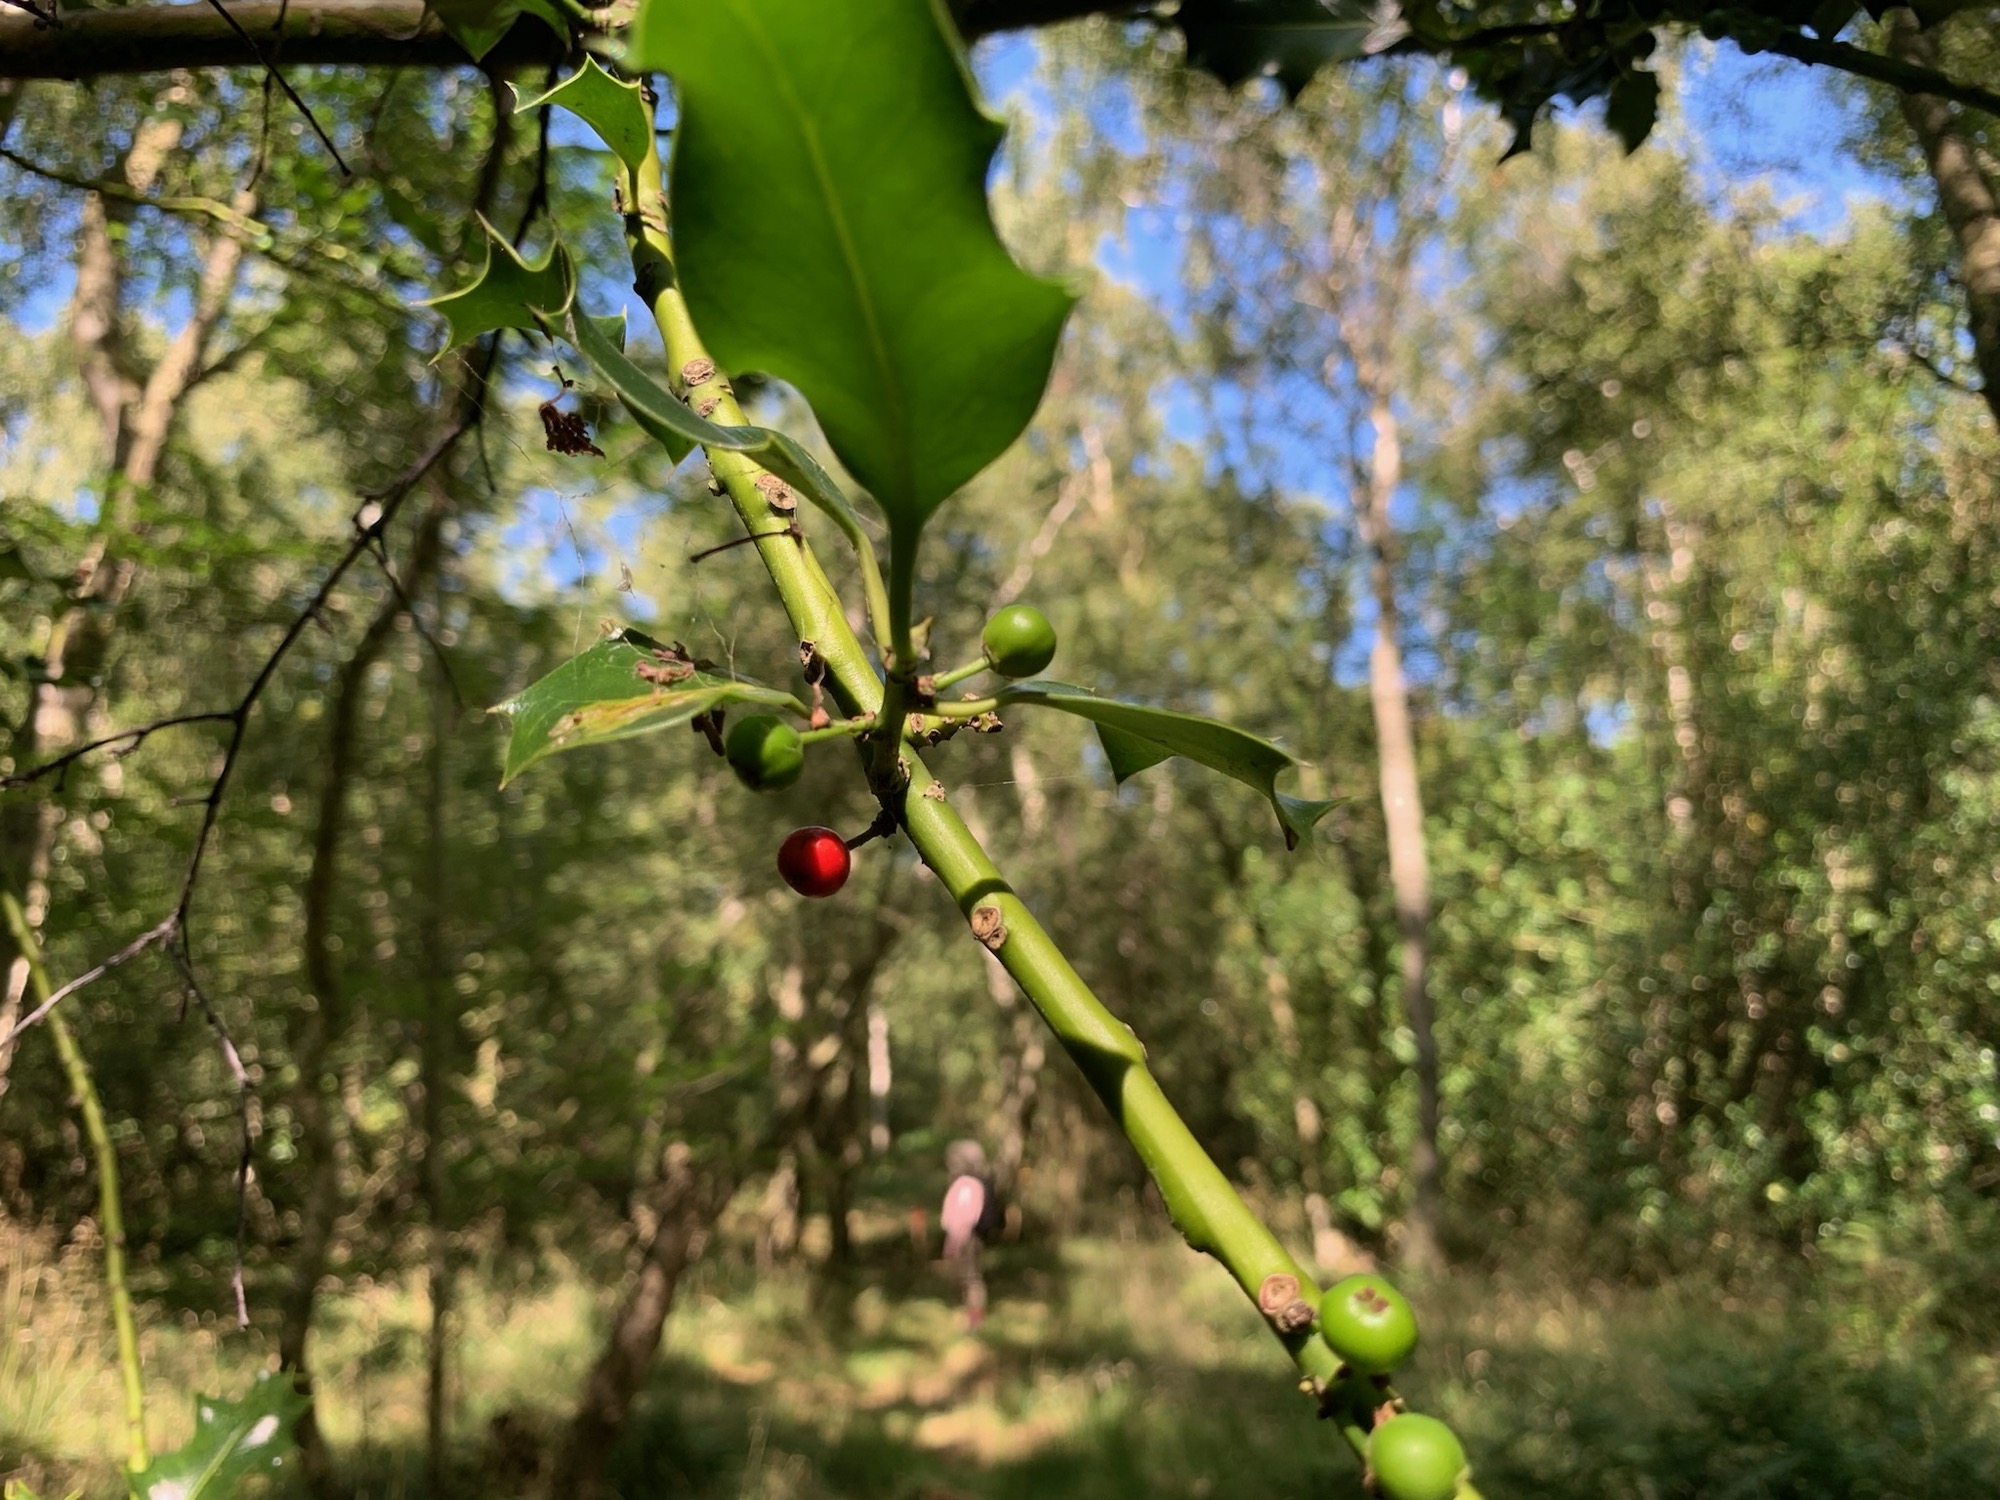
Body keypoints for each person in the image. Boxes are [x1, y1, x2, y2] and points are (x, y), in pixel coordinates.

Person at [940, 1139, 1001, 1327]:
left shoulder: (966, 1185)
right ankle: (969, 1315)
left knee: (972, 1278)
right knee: (968, 1277)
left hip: (966, 1238)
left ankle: (974, 1320)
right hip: (968, 1237)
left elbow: (965, 1216)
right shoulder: (970, 1183)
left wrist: (955, 1240)